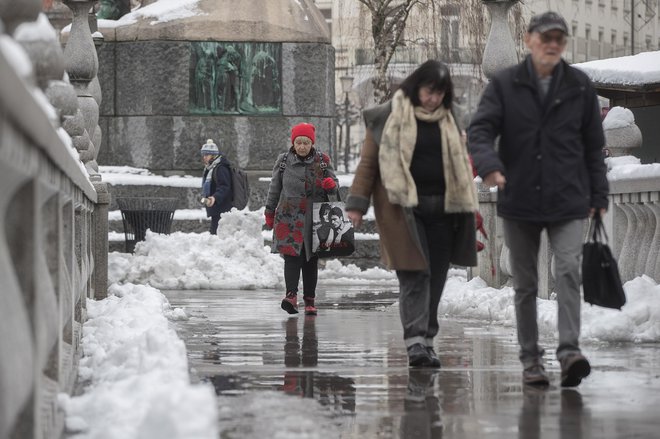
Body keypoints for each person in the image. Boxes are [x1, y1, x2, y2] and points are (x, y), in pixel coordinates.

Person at [467, 11, 609, 387]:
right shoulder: (505, 85)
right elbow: (479, 131)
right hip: (520, 199)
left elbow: (594, 147)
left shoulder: (579, 85)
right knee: (526, 283)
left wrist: (598, 194)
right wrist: (491, 167)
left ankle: (568, 352)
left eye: (559, 39)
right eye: (545, 37)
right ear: (529, 39)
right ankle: (531, 359)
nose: (552, 44)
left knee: (567, 272)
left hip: (568, 199)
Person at [345, 60, 479, 368]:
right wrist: (356, 204)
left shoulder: (453, 118)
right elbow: (369, 164)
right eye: (429, 91)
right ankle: (415, 341)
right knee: (415, 274)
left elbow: (469, 156)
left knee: (437, 277)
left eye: (440, 93)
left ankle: (428, 338)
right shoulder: (386, 116)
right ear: (416, 86)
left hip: (447, 210)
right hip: (402, 211)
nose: (433, 99)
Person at [264, 123, 339, 316]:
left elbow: (334, 188)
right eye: (299, 142)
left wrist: (331, 185)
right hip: (289, 218)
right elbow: (275, 188)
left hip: (315, 219)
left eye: (306, 142)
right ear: (293, 143)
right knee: (291, 258)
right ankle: (291, 296)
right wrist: (269, 211)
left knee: (310, 260)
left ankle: (310, 300)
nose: (302, 146)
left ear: (311, 143)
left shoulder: (322, 161)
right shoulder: (283, 161)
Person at [200, 139, 233, 234]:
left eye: (206, 155)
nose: (204, 158)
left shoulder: (220, 168)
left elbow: (225, 187)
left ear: (213, 155)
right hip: (216, 207)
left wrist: (214, 197)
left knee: (216, 234)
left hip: (222, 208)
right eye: (204, 155)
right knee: (215, 234)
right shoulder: (211, 168)